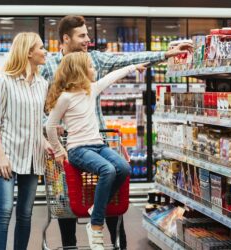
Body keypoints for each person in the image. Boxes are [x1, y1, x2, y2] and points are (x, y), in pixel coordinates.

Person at [40, 15, 193, 249]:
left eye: (87, 35)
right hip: (67, 145)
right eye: (82, 36)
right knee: (68, 203)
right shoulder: (49, 65)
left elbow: (127, 60)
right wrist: (52, 129)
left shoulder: (96, 60)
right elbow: (40, 106)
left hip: (98, 138)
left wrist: (166, 54)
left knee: (113, 185)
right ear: (65, 38)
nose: (87, 40)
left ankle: (114, 241)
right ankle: (71, 244)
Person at [45, 51, 147, 250]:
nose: (94, 70)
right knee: (107, 170)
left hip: (98, 145)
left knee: (123, 168)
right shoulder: (65, 98)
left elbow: (111, 77)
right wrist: (58, 150)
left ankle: (96, 208)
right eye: (91, 66)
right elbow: (50, 126)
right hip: (77, 149)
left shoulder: (91, 89)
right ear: (79, 71)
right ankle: (95, 225)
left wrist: (134, 67)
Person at [0, 32, 53, 250]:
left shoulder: (42, 84)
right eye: (41, 47)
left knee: (25, 213)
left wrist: (46, 143)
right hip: (7, 154)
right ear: (28, 52)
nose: (45, 52)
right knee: (4, 210)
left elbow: (37, 124)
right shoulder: (4, 80)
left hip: (32, 157)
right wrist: (1, 156)